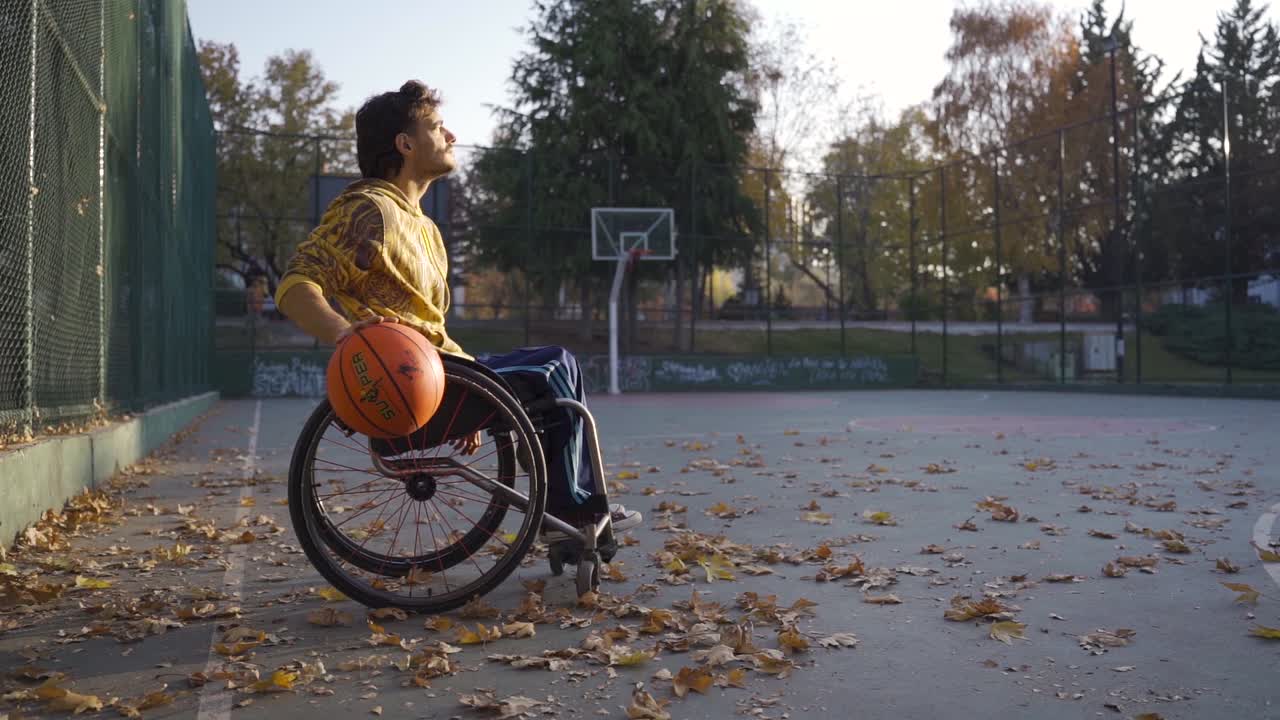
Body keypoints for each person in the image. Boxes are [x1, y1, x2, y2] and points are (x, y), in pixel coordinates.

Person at [274, 80, 640, 538]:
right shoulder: (367, 210)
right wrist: (344, 333)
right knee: (550, 372)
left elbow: (431, 326)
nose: (451, 136)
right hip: (404, 389)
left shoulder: (423, 227)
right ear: (405, 145)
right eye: (438, 127)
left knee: (558, 360)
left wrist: (477, 393)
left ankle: (564, 505)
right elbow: (295, 284)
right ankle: (570, 511)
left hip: (442, 377)